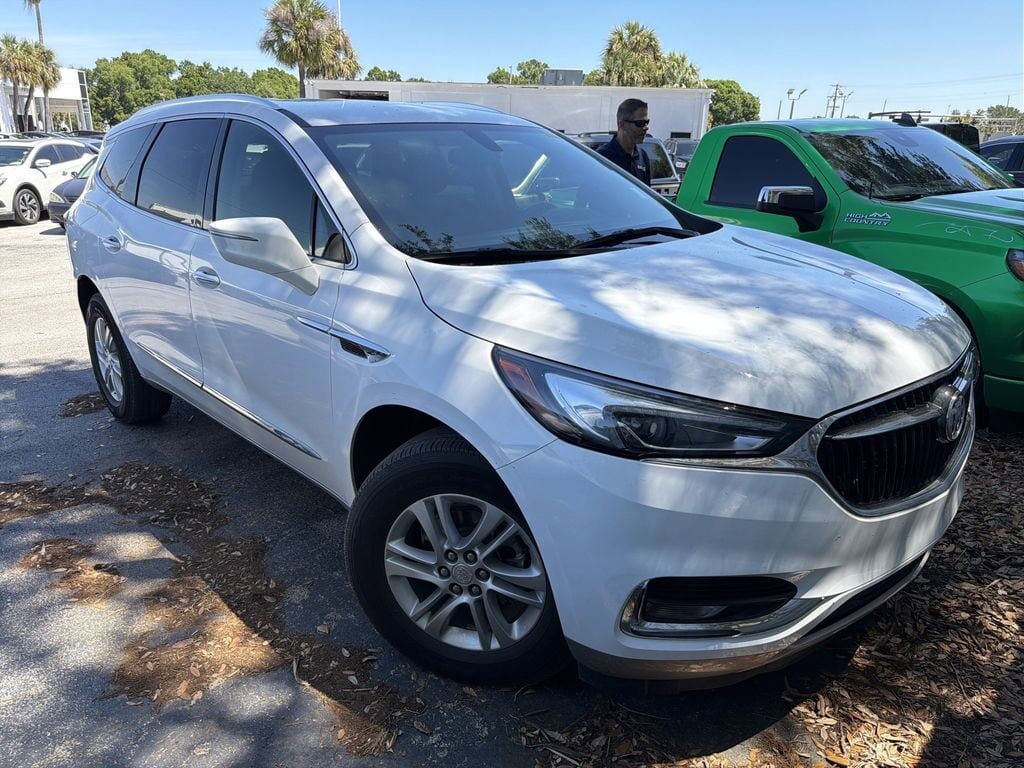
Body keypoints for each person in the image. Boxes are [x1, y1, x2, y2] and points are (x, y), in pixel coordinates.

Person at [596, 98, 652, 186]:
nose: (645, 128)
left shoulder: (642, 156)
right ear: (621, 124)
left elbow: (645, 192)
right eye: (640, 123)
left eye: (647, 122)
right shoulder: (603, 157)